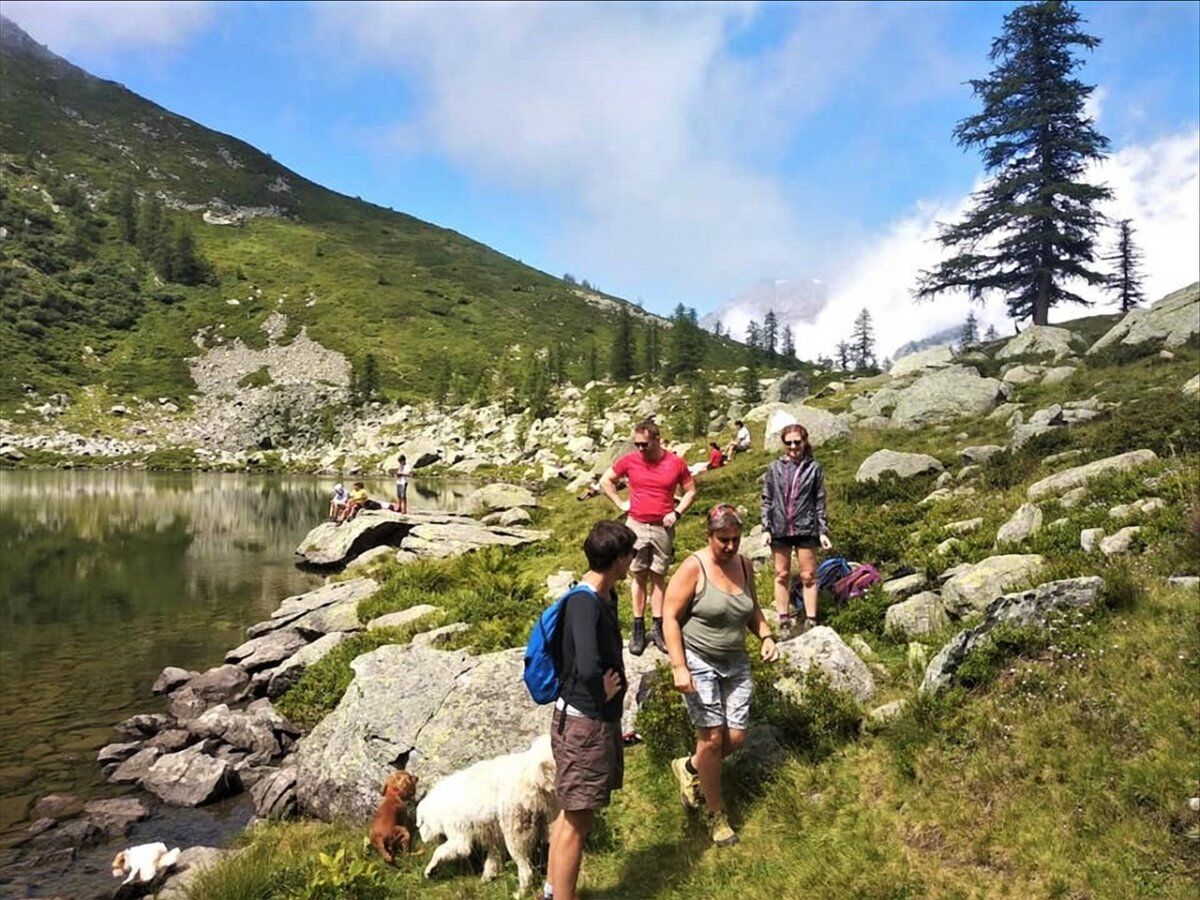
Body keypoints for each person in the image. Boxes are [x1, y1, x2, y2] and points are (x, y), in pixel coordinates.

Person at [662, 505, 779, 847]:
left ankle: (689, 768)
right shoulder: (693, 567)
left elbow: (751, 608)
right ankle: (717, 815)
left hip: (736, 660)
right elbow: (669, 616)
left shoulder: (743, 564)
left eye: (736, 539)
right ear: (708, 536)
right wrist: (678, 666)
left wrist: (767, 636)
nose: (730, 546)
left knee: (736, 737)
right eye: (722, 540)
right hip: (699, 659)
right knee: (712, 739)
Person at [544, 519, 637, 900]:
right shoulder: (585, 603)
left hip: (588, 722)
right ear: (616, 560)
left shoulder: (602, 594)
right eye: (629, 554)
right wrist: (602, 692)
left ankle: (551, 892)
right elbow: (584, 664)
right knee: (578, 819)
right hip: (584, 726)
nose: (632, 561)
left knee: (570, 815)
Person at [598, 420, 697, 656]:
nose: (640, 449)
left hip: (663, 526)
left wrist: (677, 512)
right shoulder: (630, 460)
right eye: (637, 444)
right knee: (638, 575)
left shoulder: (675, 462)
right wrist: (620, 502)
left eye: (644, 444)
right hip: (636, 525)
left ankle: (658, 626)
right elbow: (606, 480)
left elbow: (691, 490)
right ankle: (638, 628)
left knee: (659, 577)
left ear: (656, 439)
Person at [761, 423, 832, 636]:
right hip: (780, 528)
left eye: (797, 442)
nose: (793, 446)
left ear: (804, 442)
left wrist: (823, 531)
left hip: (806, 527)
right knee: (781, 574)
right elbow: (767, 499)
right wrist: (766, 527)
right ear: (783, 444)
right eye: (788, 442)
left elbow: (819, 501)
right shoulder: (774, 468)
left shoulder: (814, 468)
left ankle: (811, 620)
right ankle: (784, 620)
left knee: (808, 575)